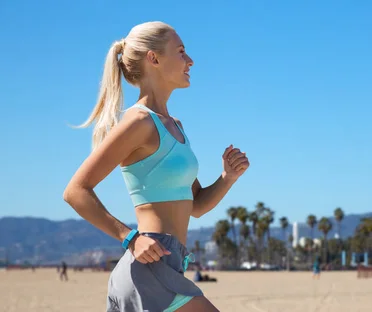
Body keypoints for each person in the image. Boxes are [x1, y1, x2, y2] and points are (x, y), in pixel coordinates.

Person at [63, 21, 249, 312]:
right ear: (154, 58)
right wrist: (130, 239)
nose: (190, 60)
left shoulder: (176, 127)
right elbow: (75, 191)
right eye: (182, 51)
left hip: (170, 265)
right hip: (147, 266)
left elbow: (196, 206)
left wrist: (227, 177)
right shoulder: (139, 123)